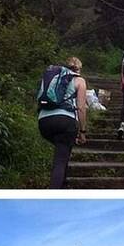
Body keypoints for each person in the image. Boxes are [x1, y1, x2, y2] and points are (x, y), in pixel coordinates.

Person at [37, 57, 87, 189]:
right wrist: (82, 131)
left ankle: (63, 185)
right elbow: (81, 108)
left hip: (43, 122)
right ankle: (54, 194)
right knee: (60, 160)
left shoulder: (53, 77)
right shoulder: (79, 80)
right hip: (65, 121)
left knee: (63, 151)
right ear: (78, 69)